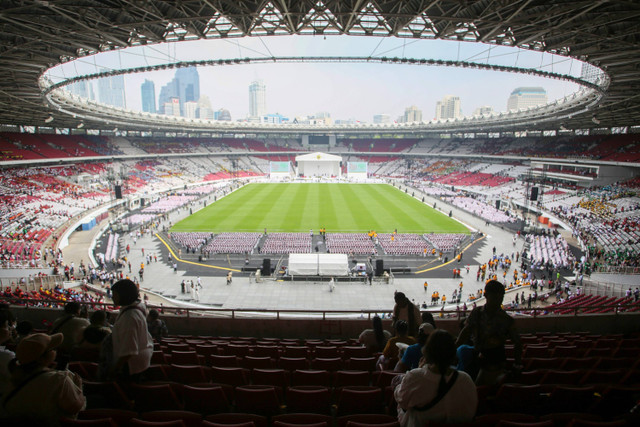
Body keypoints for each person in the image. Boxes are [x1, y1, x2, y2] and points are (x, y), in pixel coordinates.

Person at [394, 330, 477, 426]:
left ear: (427, 352)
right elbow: (470, 413)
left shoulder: (415, 377)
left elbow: (402, 402)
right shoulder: (466, 380)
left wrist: (418, 370)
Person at [2, 333, 86, 423]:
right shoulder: (58, 379)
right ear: (41, 358)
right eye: (53, 349)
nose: (55, 351)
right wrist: (79, 387)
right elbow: (75, 408)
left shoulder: (11, 379)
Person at [455, 279, 523, 386]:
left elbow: (518, 343)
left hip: (494, 362)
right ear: (486, 295)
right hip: (478, 357)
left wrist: (517, 364)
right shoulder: (477, 313)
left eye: (500, 296)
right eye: (495, 296)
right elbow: (465, 332)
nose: (499, 300)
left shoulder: (506, 320)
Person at [108, 279, 153, 381]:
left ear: (123, 295)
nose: (112, 297)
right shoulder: (138, 306)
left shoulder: (129, 318)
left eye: (115, 294)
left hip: (132, 366)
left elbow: (129, 351)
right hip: (141, 359)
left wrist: (114, 369)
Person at [48, 302, 90, 369]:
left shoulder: (57, 321)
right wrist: (86, 318)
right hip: (73, 356)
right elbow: (90, 331)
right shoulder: (83, 322)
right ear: (78, 311)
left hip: (57, 355)